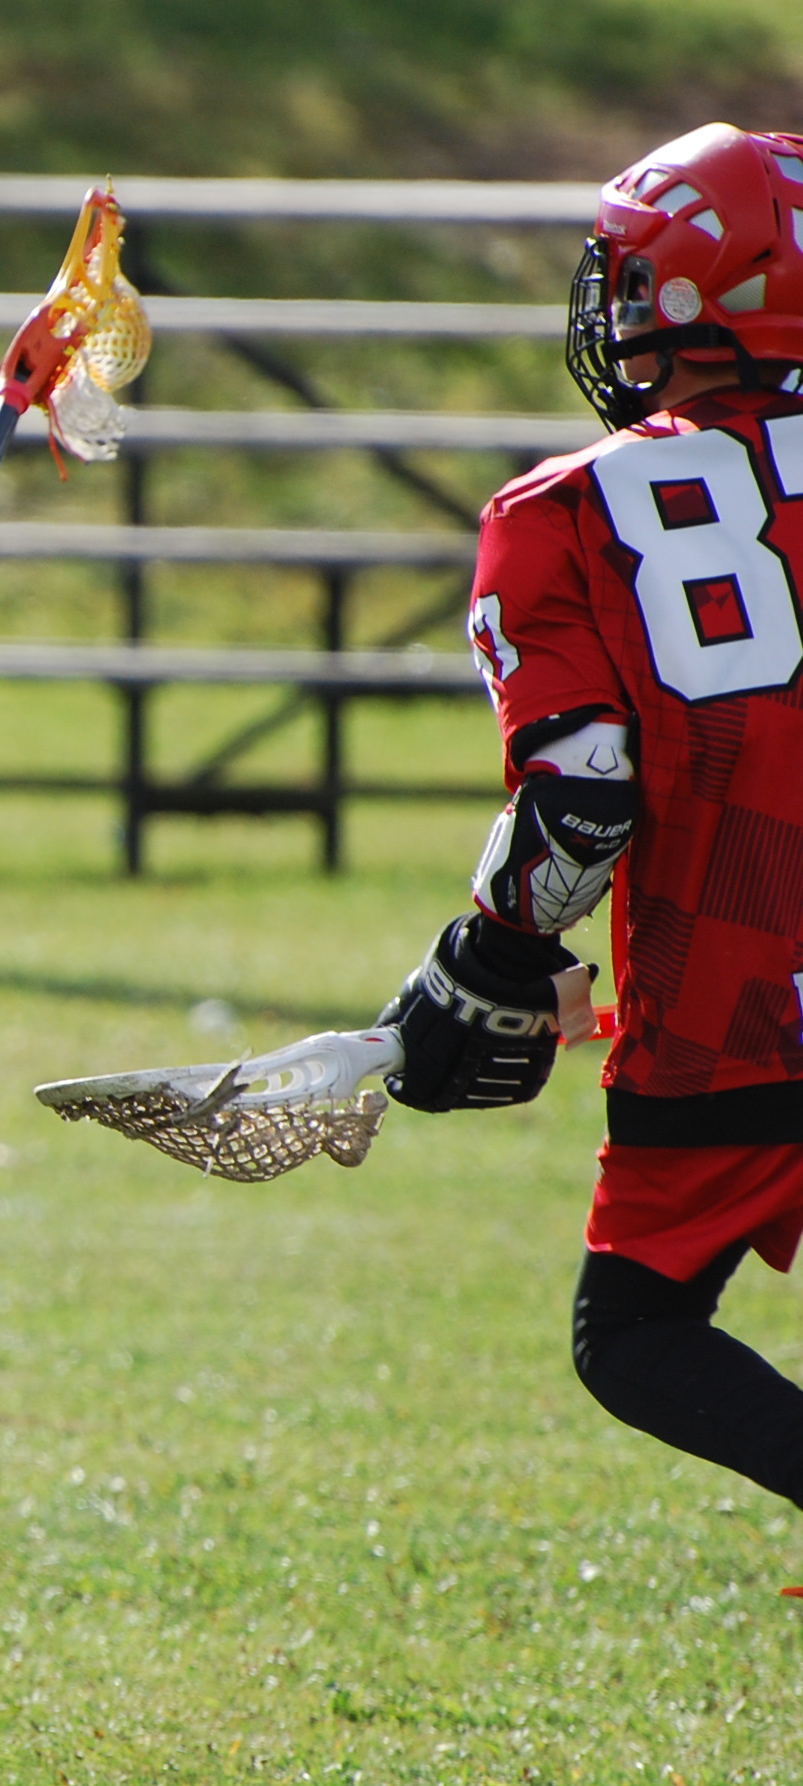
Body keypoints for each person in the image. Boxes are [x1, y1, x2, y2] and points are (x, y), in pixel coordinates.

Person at [371, 125, 803, 1537]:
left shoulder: (568, 511)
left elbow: (586, 799)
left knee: (634, 1331)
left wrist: (491, 947)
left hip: (738, 993)